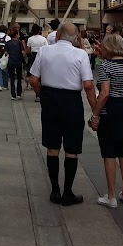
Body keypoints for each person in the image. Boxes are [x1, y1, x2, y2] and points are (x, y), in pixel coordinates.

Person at [29, 21, 97, 206]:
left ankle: (55, 190)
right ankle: (68, 192)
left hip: (50, 98)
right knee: (71, 148)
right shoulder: (81, 54)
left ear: (57, 35)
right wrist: (96, 111)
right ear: (76, 38)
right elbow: (88, 85)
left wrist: (42, 95)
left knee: (52, 146)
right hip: (72, 101)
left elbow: (33, 79)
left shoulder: (44, 51)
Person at [89, 34, 123, 208]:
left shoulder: (106, 66)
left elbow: (105, 93)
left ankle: (111, 196)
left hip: (111, 109)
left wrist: (95, 114)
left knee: (109, 153)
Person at [26, 24, 48, 91]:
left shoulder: (30, 39)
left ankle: (31, 84)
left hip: (33, 56)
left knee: (31, 71)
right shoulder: (44, 39)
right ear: (39, 31)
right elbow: (46, 48)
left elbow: (28, 50)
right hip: (42, 56)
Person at [6, 28, 25, 100]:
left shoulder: (8, 43)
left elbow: (6, 53)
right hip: (18, 62)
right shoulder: (20, 43)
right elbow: (23, 52)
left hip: (11, 62)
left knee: (12, 79)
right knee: (19, 78)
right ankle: (19, 94)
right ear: (16, 35)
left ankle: (13, 94)